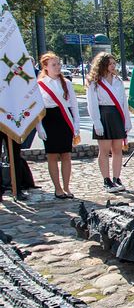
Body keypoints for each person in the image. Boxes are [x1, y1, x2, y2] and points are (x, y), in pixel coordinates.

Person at [35, 52, 79, 200]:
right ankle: (58, 188)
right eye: (54, 65)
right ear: (45, 67)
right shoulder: (40, 84)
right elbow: (36, 108)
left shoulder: (66, 83)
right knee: (52, 155)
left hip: (64, 119)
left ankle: (66, 187)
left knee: (66, 154)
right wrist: (39, 127)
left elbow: (73, 105)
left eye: (58, 64)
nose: (58, 67)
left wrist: (76, 125)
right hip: (49, 119)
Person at [87, 52, 132, 193]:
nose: (113, 66)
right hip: (104, 115)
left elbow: (124, 102)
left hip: (117, 115)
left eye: (114, 63)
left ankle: (116, 178)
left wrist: (127, 121)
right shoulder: (95, 82)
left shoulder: (118, 81)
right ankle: (106, 179)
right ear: (103, 65)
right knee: (105, 150)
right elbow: (92, 104)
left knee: (117, 149)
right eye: (110, 63)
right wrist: (97, 122)